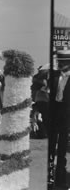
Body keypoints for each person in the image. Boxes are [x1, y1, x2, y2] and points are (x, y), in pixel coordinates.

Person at [48, 50, 70, 188]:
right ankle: (49, 176)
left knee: (62, 148)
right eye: (59, 61)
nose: (60, 63)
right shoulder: (54, 76)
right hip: (54, 113)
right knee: (50, 146)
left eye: (63, 61)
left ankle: (60, 178)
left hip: (66, 115)